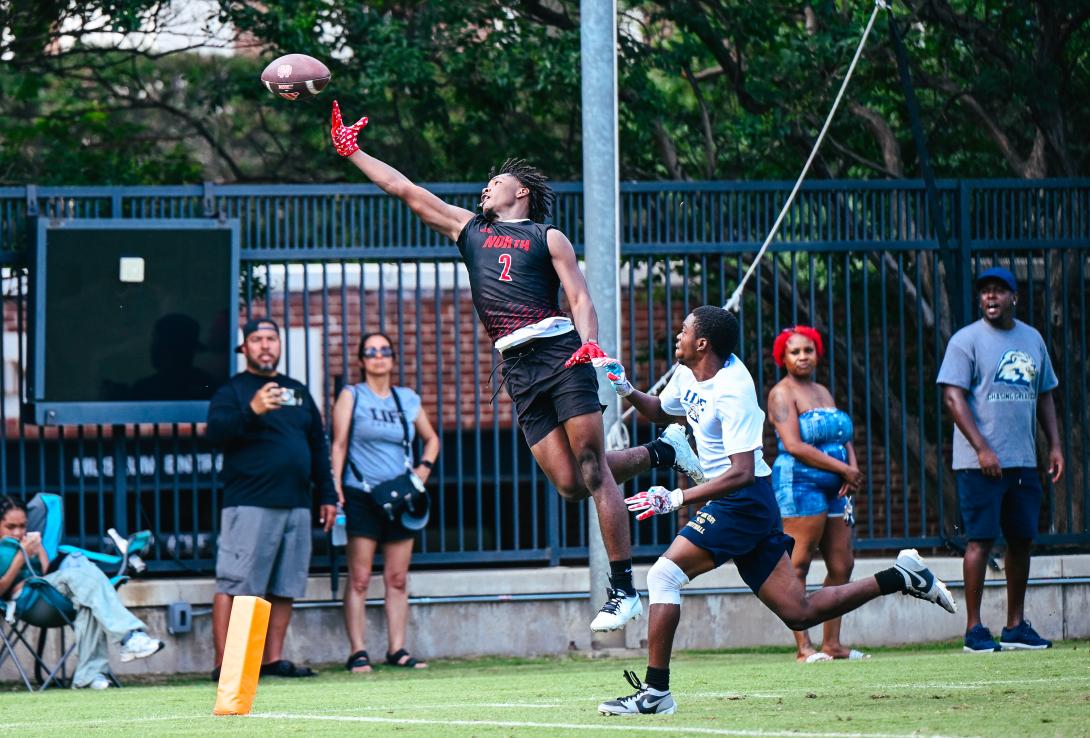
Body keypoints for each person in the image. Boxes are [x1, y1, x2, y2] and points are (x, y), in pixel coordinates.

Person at [330, 102, 701, 631]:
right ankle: (660, 450)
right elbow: (405, 189)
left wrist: (590, 344)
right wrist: (353, 151)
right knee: (570, 483)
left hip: (561, 353)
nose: (486, 187)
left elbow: (580, 296)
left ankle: (623, 590)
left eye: (495, 181)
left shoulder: (547, 236)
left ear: (519, 192)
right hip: (517, 369)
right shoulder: (469, 230)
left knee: (593, 470)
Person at [594, 306, 956, 716]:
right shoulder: (687, 371)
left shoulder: (735, 389)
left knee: (663, 575)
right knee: (798, 613)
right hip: (743, 504)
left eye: (684, 329)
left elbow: (743, 473)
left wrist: (676, 499)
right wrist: (626, 390)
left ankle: (656, 692)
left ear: (702, 343)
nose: (676, 335)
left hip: (742, 500)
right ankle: (902, 576)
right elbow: (665, 409)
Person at [937, 266, 1063, 653]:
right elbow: (953, 398)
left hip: (1022, 460)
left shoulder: (1032, 339)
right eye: (985, 292)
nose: (991, 297)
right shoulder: (966, 340)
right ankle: (975, 629)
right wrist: (981, 448)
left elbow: (1045, 395)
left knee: (1022, 540)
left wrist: (1055, 446)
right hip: (979, 463)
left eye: (999, 291)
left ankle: (1015, 627)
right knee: (980, 540)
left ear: (1014, 298)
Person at [205, 317, 337, 680]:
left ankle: (270, 660)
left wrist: (327, 494)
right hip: (249, 502)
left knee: (284, 586)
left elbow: (317, 445)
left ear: (279, 346)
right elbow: (215, 433)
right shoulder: (232, 392)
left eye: (271, 339)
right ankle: (225, 665)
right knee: (235, 584)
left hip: (296, 502)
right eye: (258, 340)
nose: (266, 345)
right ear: (244, 348)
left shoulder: (296, 390)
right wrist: (253, 410)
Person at [330, 332, 441, 673]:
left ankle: (397, 648)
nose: (378, 357)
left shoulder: (405, 398)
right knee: (361, 577)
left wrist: (422, 471)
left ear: (393, 360)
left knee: (397, 577)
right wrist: (336, 492)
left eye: (384, 351)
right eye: (371, 352)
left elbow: (432, 439)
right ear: (362, 361)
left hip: (401, 497)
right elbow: (338, 445)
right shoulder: (352, 395)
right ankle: (358, 651)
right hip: (362, 494)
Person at [766, 325, 866, 662]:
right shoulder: (782, 393)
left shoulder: (823, 390)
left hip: (837, 485)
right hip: (799, 483)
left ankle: (833, 644)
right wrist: (843, 470)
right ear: (783, 357)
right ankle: (803, 647)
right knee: (799, 562)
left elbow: (843, 436)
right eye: (795, 352)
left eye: (808, 350)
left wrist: (851, 468)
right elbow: (793, 445)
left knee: (842, 562)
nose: (803, 357)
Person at [0, 496, 164, 690]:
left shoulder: (28, 542)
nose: (18, 532)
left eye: (23, 526)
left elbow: (46, 571)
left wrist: (39, 550)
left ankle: (88, 676)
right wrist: (20, 557)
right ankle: (129, 636)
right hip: (28, 602)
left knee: (86, 588)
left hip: (50, 594)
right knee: (82, 578)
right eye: (11, 527)